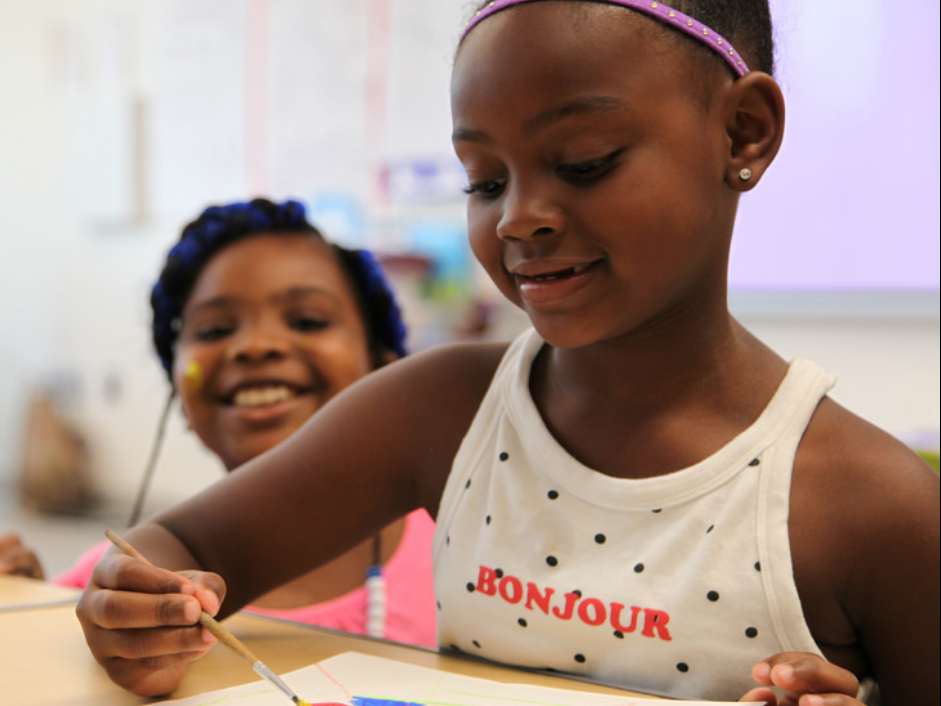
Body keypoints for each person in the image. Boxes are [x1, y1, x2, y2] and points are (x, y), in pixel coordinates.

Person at [75, 2, 939, 704]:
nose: (518, 216)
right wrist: (137, 608)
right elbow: (184, 541)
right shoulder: (435, 412)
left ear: (743, 132)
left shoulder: (869, 504)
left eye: (585, 162)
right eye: (484, 180)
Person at [31, 198, 438, 647]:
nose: (256, 345)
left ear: (384, 371)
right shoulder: (118, 592)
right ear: (178, 393)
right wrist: (20, 602)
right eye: (214, 330)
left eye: (306, 320)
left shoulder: (471, 554)